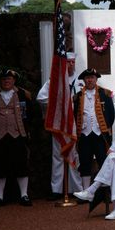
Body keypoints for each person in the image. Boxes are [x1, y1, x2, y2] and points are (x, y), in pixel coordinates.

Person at [36, 51, 83, 200]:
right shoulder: (53, 81)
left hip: (76, 124)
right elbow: (41, 98)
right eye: (68, 62)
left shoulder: (80, 81)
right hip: (59, 124)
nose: (71, 65)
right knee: (57, 156)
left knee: (74, 155)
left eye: (73, 62)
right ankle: (56, 190)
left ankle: (75, 189)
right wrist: (59, 103)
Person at [0, 69, 33, 207]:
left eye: (9, 79)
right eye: (4, 79)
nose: (6, 81)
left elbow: (30, 115)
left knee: (21, 164)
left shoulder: (23, 95)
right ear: (0, 81)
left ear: (14, 80)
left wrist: (27, 131)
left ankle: (24, 195)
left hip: (17, 135)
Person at [73, 68, 115, 190]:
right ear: (84, 80)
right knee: (85, 162)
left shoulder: (105, 94)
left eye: (92, 77)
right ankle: (86, 191)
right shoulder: (77, 97)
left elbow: (111, 115)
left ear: (96, 79)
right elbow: (75, 115)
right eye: (87, 78)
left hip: (100, 134)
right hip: (85, 135)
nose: (90, 80)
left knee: (103, 162)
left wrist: (104, 129)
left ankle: (104, 192)